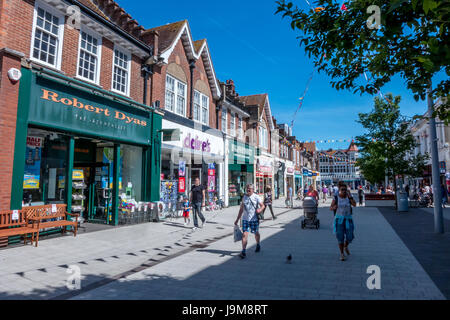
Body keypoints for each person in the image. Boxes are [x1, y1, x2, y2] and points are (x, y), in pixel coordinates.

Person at [234, 184, 265, 259]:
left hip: (254, 219)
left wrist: (259, 210)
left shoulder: (256, 197)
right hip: (245, 219)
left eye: (249, 189)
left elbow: (263, 206)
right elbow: (241, 209)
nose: (248, 190)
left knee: (256, 233)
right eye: (247, 189)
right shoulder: (244, 197)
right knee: (244, 235)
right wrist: (237, 219)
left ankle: (258, 244)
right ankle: (243, 251)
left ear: (253, 189)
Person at [330, 185, 357, 261]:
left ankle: (345, 246)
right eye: (342, 189)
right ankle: (342, 254)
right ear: (339, 190)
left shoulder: (349, 197)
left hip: (348, 219)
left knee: (350, 237)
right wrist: (333, 207)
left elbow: (354, 205)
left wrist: (350, 197)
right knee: (340, 237)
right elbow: (330, 207)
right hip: (339, 220)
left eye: (345, 189)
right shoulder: (336, 198)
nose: (344, 191)